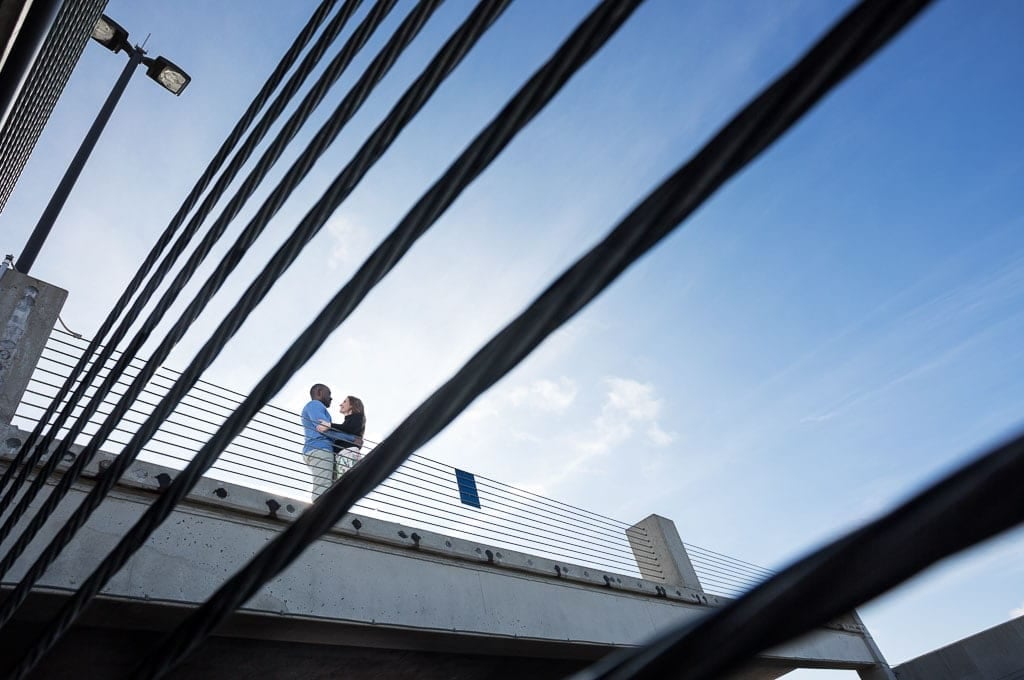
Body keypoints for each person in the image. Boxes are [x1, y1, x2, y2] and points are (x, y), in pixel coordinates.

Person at [301, 383, 347, 501]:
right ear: (319, 392)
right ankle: (318, 515)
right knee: (323, 487)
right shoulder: (315, 404)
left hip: (318, 449)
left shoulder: (315, 407)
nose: (331, 398)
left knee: (329, 488)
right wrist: (351, 438)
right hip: (320, 449)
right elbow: (323, 428)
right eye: (329, 394)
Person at [318, 395, 365, 479]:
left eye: (344, 402)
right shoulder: (348, 422)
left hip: (349, 454)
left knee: (350, 481)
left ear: (352, 405)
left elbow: (349, 427)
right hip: (342, 457)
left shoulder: (358, 417)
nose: (341, 404)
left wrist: (329, 425)